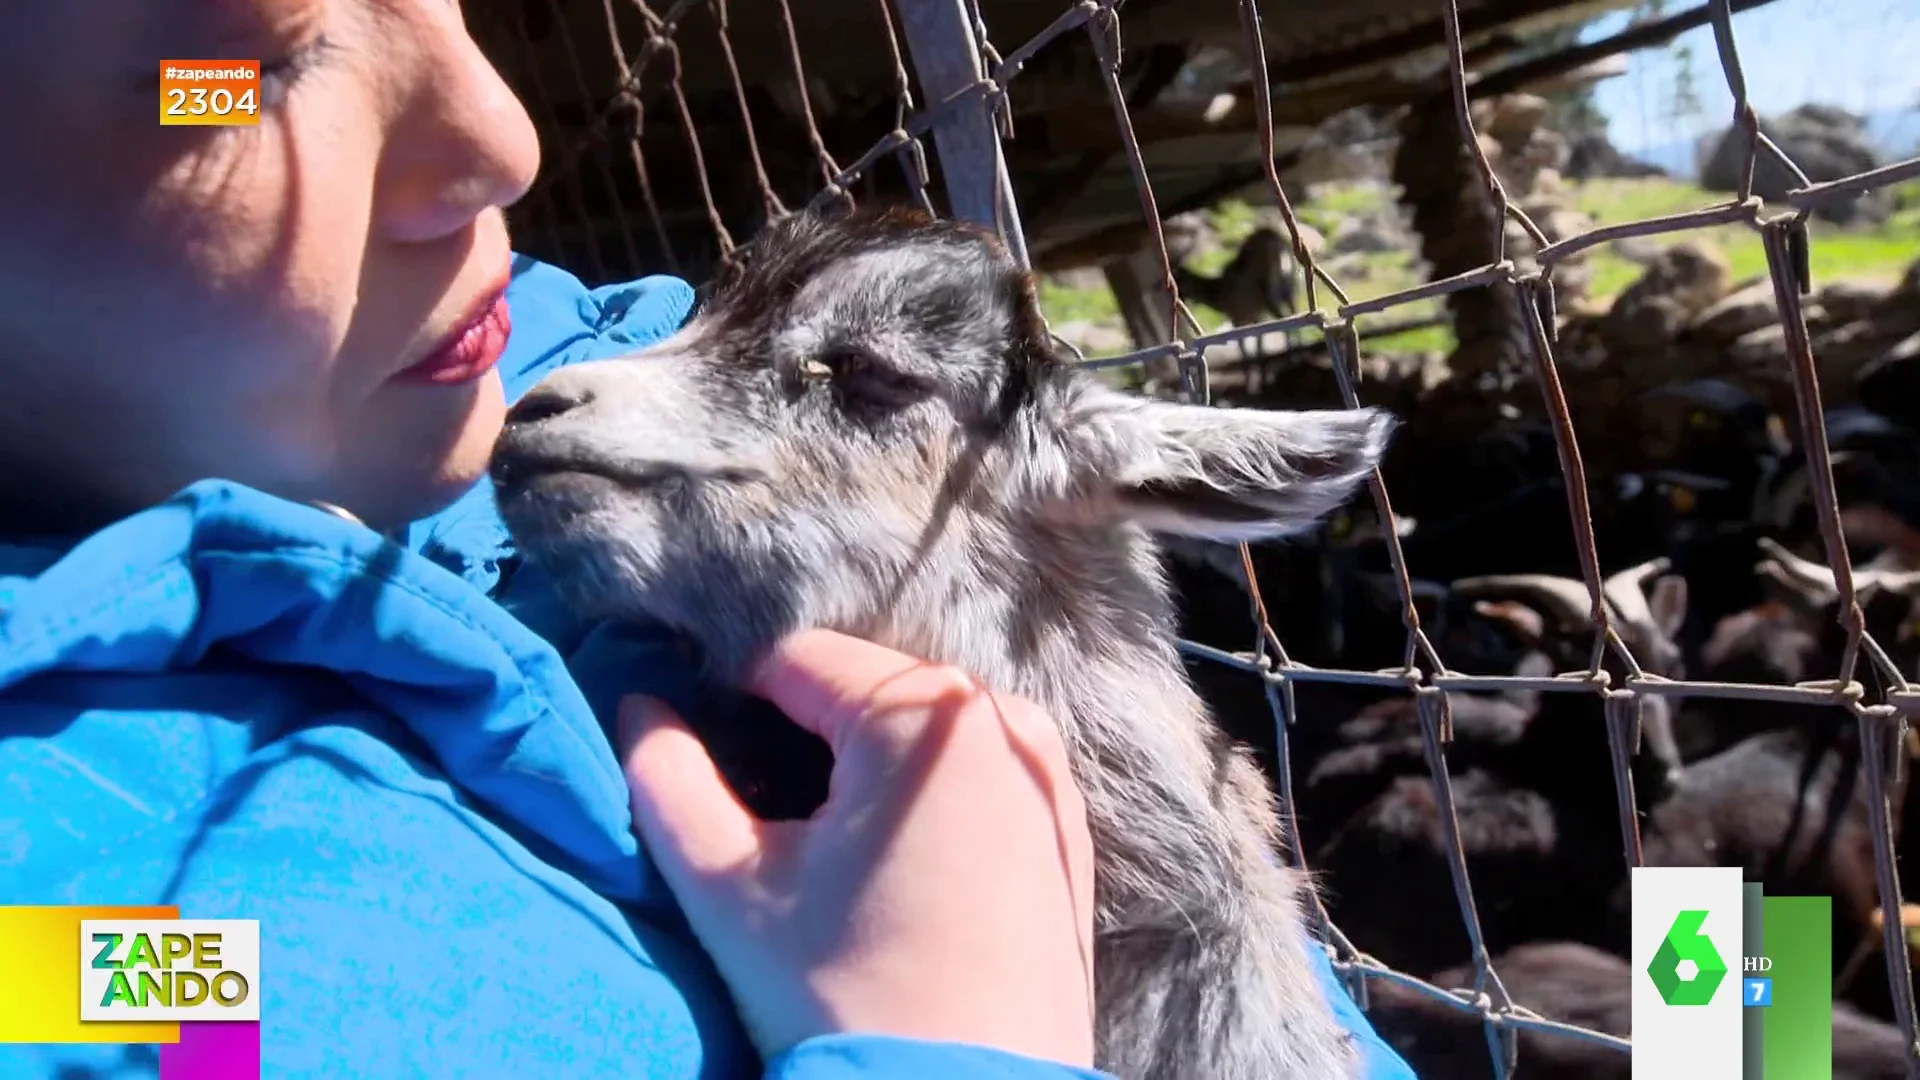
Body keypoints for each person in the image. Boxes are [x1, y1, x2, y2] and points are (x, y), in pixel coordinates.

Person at [0, 1, 1416, 1077]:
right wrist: (952, 1044)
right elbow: (141, 1007)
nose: (501, 138)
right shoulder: (91, 929)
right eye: (239, 71)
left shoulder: (491, 364)